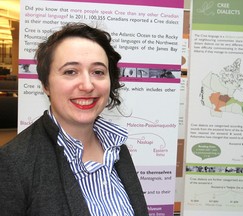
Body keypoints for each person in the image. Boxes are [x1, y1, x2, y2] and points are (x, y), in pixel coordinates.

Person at [0, 22, 148, 216]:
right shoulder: (13, 163)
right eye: (70, 72)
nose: (87, 85)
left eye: (98, 72)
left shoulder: (116, 145)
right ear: (46, 84)